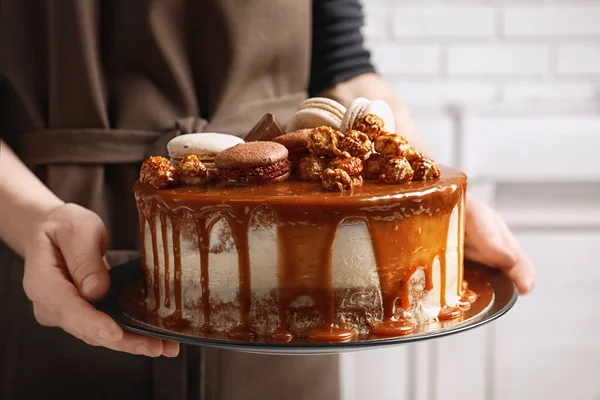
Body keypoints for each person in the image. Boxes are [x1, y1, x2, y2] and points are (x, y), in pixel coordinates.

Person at [0, 1, 535, 399]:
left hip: (306, 252)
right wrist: (32, 218)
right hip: (57, 240)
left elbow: (345, 66)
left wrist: (424, 204)